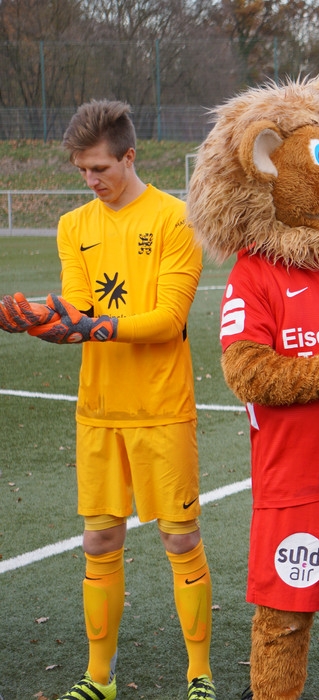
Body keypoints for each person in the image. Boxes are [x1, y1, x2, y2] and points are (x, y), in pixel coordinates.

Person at [0, 100, 215, 700]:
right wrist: (33, 319)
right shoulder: (75, 227)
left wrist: (89, 326)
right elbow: (77, 310)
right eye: (81, 172)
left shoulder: (177, 219)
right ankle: (99, 679)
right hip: (98, 410)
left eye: (100, 169)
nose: (91, 181)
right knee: (99, 541)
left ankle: (199, 676)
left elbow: (169, 320)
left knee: (180, 538)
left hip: (162, 407)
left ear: (129, 156)